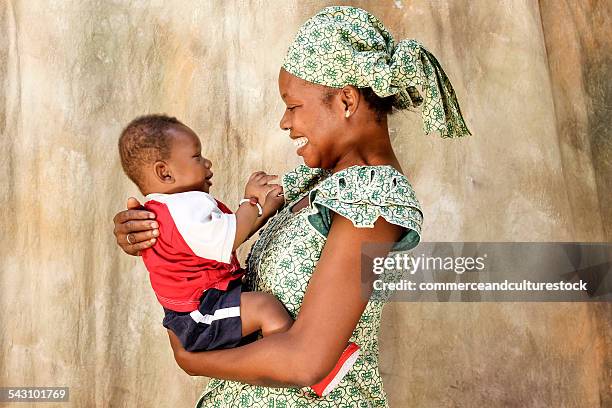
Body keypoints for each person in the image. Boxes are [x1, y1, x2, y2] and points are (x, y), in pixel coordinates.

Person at [112, 5, 471, 407]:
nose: (285, 122)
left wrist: (191, 359)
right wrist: (153, 226)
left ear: (347, 101)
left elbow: (305, 362)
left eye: (294, 105)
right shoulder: (318, 184)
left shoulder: (371, 200)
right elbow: (204, 246)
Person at [116, 114, 361, 396]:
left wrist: (263, 209)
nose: (207, 163)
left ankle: (293, 362)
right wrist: (249, 200)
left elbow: (228, 233)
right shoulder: (183, 208)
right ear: (165, 173)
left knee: (259, 308)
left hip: (199, 308)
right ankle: (307, 374)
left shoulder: (167, 209)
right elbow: (231, 234)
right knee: (266, 309)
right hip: (200, 313)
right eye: (196, 157)